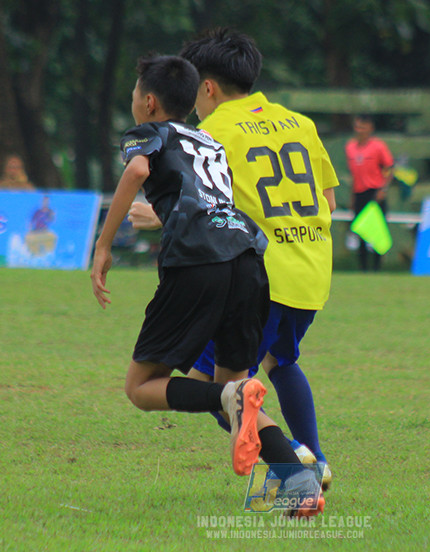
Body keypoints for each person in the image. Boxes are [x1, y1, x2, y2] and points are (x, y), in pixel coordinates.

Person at [91, 54, 323, 516]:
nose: (133, 102)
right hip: (249, 259)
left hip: (199, 263)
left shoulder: (147, 133)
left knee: (141, 388)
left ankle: (229, 398)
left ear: (149, 102)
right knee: (240, 390)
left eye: (135, 94)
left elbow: (137, 172)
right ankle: (300, 485)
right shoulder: (206, 137)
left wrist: (103, 246)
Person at [345, 115, 394, 272]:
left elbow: (389, 168)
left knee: (376, 231)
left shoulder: (378, 146)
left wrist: (383, 189)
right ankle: (363, 268)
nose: (360, 131)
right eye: (357, 127)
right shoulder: (350, 147)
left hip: (374, 194)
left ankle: (377, 267)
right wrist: (352, 196)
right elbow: (354, 174)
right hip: (359, 193)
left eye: (363, 127)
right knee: (360, 231)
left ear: (370, 129)